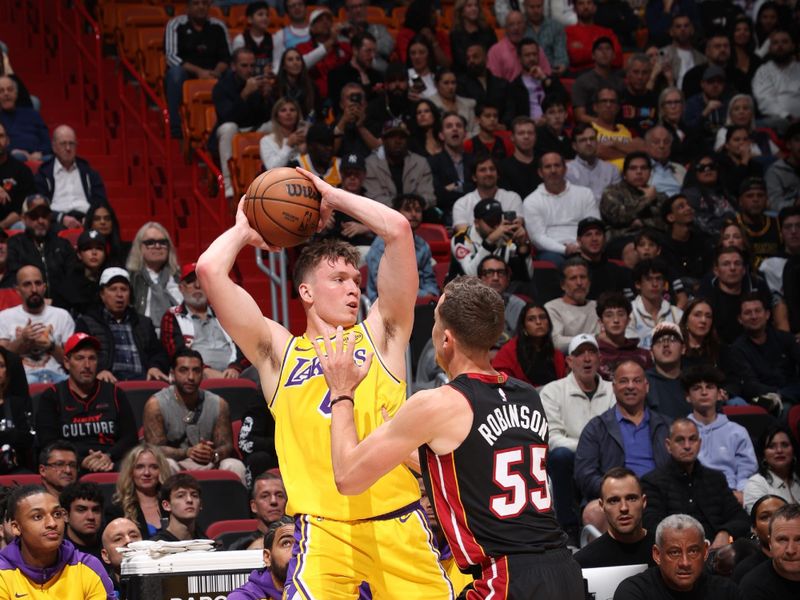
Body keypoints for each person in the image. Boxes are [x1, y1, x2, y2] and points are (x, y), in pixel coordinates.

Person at [196, 165, 454, 597]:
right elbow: (208, 270)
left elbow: (398, 231)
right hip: (323, 532)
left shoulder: (382, 335)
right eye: (338, 279)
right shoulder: (280, 352)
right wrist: (244, 228)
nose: (353, 288)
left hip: (398, 525)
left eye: (356, 280)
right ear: (306, 292)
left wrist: (331, 196)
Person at [312, 276, 584, 599]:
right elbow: (473, 468)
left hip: (506, 579)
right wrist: (400, 449)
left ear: (446, 340)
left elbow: (347, 477)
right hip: (564, 570)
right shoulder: (527, 395)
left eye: (436, 322)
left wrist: (341, 392)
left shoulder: (438, 402)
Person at [574, 360, 672, 531]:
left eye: (636, 381)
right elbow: (585, 475)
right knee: (594, 512)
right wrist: (619, 490)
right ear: (613, 387)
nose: (630, 386)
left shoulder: (666, 426)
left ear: (646, 386)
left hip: (660, 494)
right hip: (617, 496)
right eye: (624, 381)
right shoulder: (596, 428)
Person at [540, 333, 615, 538]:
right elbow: (553, 438)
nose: (587, 358)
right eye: (580, 353)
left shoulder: (613, 390)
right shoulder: (552, 391)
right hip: (572, 457)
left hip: (605, 457)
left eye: (592, 352)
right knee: (560, 456)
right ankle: (569, 528)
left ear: (600, 359)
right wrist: (587, 448)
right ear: (569, 361)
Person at [35, 332, 138, 471]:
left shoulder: (114, 393)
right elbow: (48, 443)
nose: (87, 365)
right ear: (66, 362)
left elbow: (130, 438)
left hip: (111, 461)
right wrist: (80, 461)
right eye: (79, 358)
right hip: (69, 466)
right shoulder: (52, 396)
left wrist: (109, 456)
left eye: (92, 358)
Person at [142, 347, 246, 483]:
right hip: (177, 462)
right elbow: (154, 449)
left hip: (209, 462)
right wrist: (187, 452)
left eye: (196, 371)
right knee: (166, 464)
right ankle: (166, 503)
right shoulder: (156, 404)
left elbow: (226, 445)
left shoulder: (218, 404)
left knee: (235, 465)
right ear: (173, 373)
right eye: (184, 370)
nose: (191, 377)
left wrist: (213, 454)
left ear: (202, 373)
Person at [641, 418, 750, 547]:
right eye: (680, 440)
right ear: (668, 445)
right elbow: (652, 526)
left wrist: (725, 533)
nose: (687, 446)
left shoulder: (716, 479)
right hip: (675, 553)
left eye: (692, 439)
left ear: (699, 443)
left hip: (718, 552)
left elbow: (741, 518)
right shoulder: (652, 482)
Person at [0, 485, 113, 598]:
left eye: (57, 514)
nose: (52, 523)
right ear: (16, 528)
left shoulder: (88, 566)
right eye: (38, 517)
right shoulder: (2, 572)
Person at [614, 513, 742, 600]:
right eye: (674, 552)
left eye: (693, 551)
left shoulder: (726, 592)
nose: (685, 563)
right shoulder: (634, 592)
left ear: (705, 552)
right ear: (657, 554)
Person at [74, 267, 170, 383]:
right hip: (107, 382)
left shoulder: (143, 323)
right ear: (102, 294)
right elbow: (80, 356)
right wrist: (99, 370)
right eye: (113, 289)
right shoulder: (87, 323)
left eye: (124, 289)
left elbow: (158, 353)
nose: (119, 294)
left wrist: (155, 366)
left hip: (141, 382)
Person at [684, 365, 758, 499]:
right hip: (692, 495)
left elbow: (747, 472)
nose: (704, 392)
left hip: (731, 495)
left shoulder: (737, 432)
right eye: (697, 388)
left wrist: (741, 493)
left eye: (710, 387)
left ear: (719, 394)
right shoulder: (680, 432)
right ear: (688, 396)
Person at [160, 263, 245, 379]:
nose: (197, 285)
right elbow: (176, 353)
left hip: (234, 374)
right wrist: (204, 370)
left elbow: (244, 346)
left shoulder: (225, 313)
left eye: (202, 280)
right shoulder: (173, 315)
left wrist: (235, 367)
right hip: (195, 374)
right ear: (181, 288)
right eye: (190, 281)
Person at [164, 0, 231, 138]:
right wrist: (199, 72)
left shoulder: (218, 26)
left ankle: (231, 122)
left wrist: (216, 72)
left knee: (233, 74)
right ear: (187, 8)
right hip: (187, 73)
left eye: (205, 4)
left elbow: (226, 57)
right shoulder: (176, 24)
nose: (201, 7)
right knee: (175, 73)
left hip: (214, 72)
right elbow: (171, 57)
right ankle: (176, 128)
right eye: (196, 3)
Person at [211, 47, 272, 198]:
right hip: (232, 130)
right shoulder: (222, 86)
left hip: (253, 128)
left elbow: (265, 116)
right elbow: (227, 116)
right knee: (228, 127)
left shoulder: (258, 82)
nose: (249, 70)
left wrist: (266, 97)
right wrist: (244, 94)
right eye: (244, 66)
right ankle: (228, 184)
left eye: (252, 65)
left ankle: (274, 181)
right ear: (234, 66)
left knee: (274, 125)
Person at [0, 264, 74, 383]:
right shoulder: (5, 317)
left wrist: (51, 346)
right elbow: (2, 361)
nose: (34, 289)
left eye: (38, 283)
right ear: (17, 290)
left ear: (44, 287)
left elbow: (72, 362)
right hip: (22, 379)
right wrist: (22, 340)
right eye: (27, 284)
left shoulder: (62, 316)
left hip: (57, 378)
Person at [523, 152, 599, 266]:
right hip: (552, 251)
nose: (553, 170)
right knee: (554, 262)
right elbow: (537, 237)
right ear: (540, 172)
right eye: (548, 167)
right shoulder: (531, 201)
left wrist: (581, 247)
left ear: (565, 169)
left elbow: (594, 225)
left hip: (584, 247)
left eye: (557, 165)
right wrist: (564, 249)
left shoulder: (585, 194)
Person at [730, 292, 800, 413]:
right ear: (740, 319)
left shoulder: (786, 339)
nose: (754, 316)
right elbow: (750, 384)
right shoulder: (737, 349)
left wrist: (782, 394)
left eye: (758, 311)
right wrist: (776, 394)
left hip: (792, 393)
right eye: (748, 313)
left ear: (767, 314)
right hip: (762, 399)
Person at [574, 468, 655, 568]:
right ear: (601, 506)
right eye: (614, 501)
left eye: (631, 498)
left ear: (644, 502)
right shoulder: (583, 562)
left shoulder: (664, 552)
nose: (624, 508)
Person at [365, 193, 439, 303]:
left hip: (416, 302)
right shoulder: (382, 243)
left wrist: (431, 294)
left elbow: (428, 279)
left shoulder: (423, 246)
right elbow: (382, 285)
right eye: (408, 210)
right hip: (383, 302)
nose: (414, 214)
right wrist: (422, 295)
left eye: (418, 210)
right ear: (397, 213)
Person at [698, 245, 775, 344]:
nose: (732, 268)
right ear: (716, 271)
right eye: (726, 264)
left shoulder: (758, 289)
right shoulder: (707, 298)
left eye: (737, 263)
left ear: (744, 270)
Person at [33, 125, 108, 227]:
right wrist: (60, 218)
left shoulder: (88, 172)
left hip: (86, 219)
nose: (68, 148)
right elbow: (39, 204)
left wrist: (90, 217)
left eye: (71, 144)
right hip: (56, 221)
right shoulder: (44, 173)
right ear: (54, 147)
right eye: (63, 144)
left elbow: (101, 200)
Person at [6, 195, 77, 297]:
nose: (40, 220)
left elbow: (72, 279)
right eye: (34, 216)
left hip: (60, 306)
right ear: (24, 218)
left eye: (45, 215)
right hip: (25, 305)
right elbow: (14, 280)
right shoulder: (15, 244)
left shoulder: (63, 244)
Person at [600, 152, 667, 250]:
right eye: (633, 168)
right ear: (625, 174)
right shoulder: (612, 192)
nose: (639, 172)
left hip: (656, 238)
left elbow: (668, 221)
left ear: (650, 173)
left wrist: (642, 222)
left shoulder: (659, 196)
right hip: (623, 239)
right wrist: (646, 200)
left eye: (643, 168)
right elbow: (618, 217)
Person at [491, 301, 567, 388]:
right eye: (531, 319)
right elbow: (499, 378)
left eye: (542, 317)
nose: (538, 322)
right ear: (523, 326)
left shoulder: (556, 354)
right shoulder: (510, 351)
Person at [364, 120, 435, 208]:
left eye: (402, 137)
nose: (398, 141)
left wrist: (409, 208)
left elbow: (429, 197)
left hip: (417, 215)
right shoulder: (370, 164)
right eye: (392, 137)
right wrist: (403, 207)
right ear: (383, 140)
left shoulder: (420, 163)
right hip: (383, 216)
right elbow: (373, 199)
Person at [126, 222, 181, 332]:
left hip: (178, 334)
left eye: (162, 242)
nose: (157, 246)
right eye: (150, 242)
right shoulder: (131, 279)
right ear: (139, 247)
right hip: (142, 334)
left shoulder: (179, 279)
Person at [739, 503, 800, 598]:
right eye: (782, 540)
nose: (791, 550)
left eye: (799, 540)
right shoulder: (753, 588)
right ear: (770, 543)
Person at [110, 443, 170, 539]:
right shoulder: (118, 510)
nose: (147, 473)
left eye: (153, 467)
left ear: (161, 471)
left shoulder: (172, 505)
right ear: (130, 472)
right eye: (140, 467)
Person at [451, 155, 524, 232]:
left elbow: (515, 229)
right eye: (483, 170)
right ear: (474, 177)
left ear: (498, 174)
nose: (488, 173)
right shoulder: (462, 204)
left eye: (492, 169)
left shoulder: (512, 198)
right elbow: (464, 235)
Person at [228, 516, 294, 600]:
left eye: (301, 544)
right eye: (286, 543)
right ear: (267, 557)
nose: (296, 551)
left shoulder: (314, 591)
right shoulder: (244, 597)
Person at [544, 257, 600, 353]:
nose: (579, 283)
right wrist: (595, 338)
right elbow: (556, 342)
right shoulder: (552, 308)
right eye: (573, 278)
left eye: (583, 277)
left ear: (589, 282)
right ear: (563, 285)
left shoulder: (598, 306)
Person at [626, 259, 684, 350]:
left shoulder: (677, 314)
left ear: (665, 284)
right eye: (648, 279)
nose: (655, 284)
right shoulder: (628, 313)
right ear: (638, 284)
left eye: (658, 278)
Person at [295, 8, 351, 99]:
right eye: (320, 20)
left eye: (328, 19)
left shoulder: (343, 46)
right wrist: (331, 41)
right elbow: (302, 65)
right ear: (312, 28)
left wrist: (353, 37)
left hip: (341, 98)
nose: (325, 22)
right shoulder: (302, 47)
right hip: (314, 97)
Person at [428, 112, 475, 220]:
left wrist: (453, 187)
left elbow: (480, 190)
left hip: (475, 212)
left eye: (459, 126)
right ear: (441, 135)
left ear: (465, 133)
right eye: (449, 126)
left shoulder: (474, 161)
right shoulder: (432, 162)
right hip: (447, 214)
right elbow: (438, 195)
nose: (455, 129)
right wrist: (465, 188)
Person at [751, 29, 800, 133]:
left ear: (793, 46)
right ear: (769, 48)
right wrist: (787, 116)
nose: (780, 46)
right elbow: (765, 100)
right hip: (776, 122)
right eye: (775, 43)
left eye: (785, 42)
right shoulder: (763, 71)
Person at [476, 256, 532, 345]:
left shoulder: (519, 306)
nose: (495, 278)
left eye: (501, 273)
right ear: (479, 279)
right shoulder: (467, 306)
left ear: (508, 279)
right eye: (489, 272)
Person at [596, 291, 652, 381]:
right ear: (600, 322)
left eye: (621, 314)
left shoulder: (644, 356)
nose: (616, 320)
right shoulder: (594, 355)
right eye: (609, 315)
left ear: (628, 320)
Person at [52, 229, 109, 316]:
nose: (94, 253)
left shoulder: (111, 282)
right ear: (79, 254)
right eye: (88, 248)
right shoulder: (67, 286)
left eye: (99, 248)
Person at [733, 495, 788, 583]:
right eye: (765, 517)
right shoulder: (746, 571)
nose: (774, 521)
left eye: (781, 515)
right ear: (754, 529)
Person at [743, 426, 800, 513]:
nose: (779, 450)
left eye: (785, 445)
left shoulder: (797, 479)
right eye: (771, 446)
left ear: (793, 451)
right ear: (764, 455)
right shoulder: (756, 484)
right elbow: (764, 521)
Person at [576, 218, 633, 301]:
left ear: (605, 239)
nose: (594, 239)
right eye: (588, 235)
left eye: (598, 234)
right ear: (579, 240)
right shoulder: (571, 271)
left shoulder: (618, 271)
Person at [228, 472, 288, 551]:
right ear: (254, 506)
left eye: (279, 495)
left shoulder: (301, 542)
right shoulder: (241, 547)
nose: (273, 501)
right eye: (265, 496)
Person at [682, 153, 737, 238]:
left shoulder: (727, 193)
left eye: (712, 166)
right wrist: (729, 218)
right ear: (694, 172)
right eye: (701, 168)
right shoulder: (690, 195)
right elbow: (702, 225)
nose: (707, 170)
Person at [509, 39, 566, 121]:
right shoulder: (514, 86)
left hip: (552, 124)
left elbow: (563, 98)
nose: (532, 58)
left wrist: (544, 78)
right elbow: (513, 116)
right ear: (519, 58)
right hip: (529, 128)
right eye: (527, 55)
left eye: (534, 54)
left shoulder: (549, 79)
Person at [571, 38, 623, 125]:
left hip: (616, 130)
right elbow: (579, 116)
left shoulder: (620, 83)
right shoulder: (582, 82)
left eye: (608, 49)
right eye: (600, 49)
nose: (604, 52)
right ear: (593, 55)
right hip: (590, 130)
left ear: (614, 55)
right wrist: (603, 124)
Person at [565, 122, 620, 203]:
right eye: (583, 140)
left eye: (592, 139)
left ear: (597, 142)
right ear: (574, 146)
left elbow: (617, 200)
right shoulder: (567, 171)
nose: (589, 143)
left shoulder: (612, 170)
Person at [645, 322, 689, 419]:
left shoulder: (693, 380)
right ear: (651, 353)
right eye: (659, 341)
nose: (665, 344)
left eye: (672, 339)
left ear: (683, 349)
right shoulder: (643, 382)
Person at [564, 0, 622, 73]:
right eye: (581, 4)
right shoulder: (567, 32)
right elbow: (575, 58)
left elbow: (618, 59)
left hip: (607, 74)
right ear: (575, 9)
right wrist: (604, 52)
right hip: (579, 76)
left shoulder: (607, 32)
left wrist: (584, 50)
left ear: (595, 8)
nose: (585, 7)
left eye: (589, 3)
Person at [0, 76, 49, 161]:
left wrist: (40, 152)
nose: (6, 93)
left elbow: (47, 141)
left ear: (16, 94)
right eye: (1, 91)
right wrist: (13, 151)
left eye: (10, 89)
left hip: (39, 156)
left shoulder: (32, 114)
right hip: (12, 158)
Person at [327, 33, 380, 110]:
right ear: (355, 50)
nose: (373, 56)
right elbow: (336, 106)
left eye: (374, 51)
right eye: (368, 51)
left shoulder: (377, 76)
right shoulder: (337, 75)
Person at [736, 177, 781, 267]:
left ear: (767, 199)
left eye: (760, 195)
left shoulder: (778, 223)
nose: (755, 200)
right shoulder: (732, 226)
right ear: (740, 201)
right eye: (750, 196)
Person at [340, 0, 394, 73]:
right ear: (347, 12)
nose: (358, 10)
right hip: (352, 74)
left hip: (381, 74)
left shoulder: (379, 29)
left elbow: (387, 48)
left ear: (366, 8)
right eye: (353, 7)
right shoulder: (342, 33)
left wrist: (362, 47)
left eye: (361, 6)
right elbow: (346, 53)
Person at [151, 473, 206, 542]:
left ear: (200, 504)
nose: (189, 500)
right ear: (166, 505)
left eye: (194, 495)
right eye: (180, 496)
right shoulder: (157, 547)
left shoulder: (209, 545)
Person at [0, 121, 34, 230]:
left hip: (11, 224)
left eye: (1, 136)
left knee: (23, 226)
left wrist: (1, 226)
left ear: (8, 140)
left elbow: (23, 209)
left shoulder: (22, 171)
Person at [498, 116, 541, 201]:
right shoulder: (503, 167)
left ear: (535, 136)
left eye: (530, 133)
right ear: (512, 137)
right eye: (521, 133)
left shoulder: (544, 164)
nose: (526, 136)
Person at [448, 0, 497, 75]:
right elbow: (460, 61)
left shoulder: (487, 31)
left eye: (476, 5)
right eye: (469, 6)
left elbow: (494, 54)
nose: (474, 8)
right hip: (464, 75)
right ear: (462, 11)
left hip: (487, 72)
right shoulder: (455, 34)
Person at [659, 14, 706, 89]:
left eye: (686, 26)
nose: (683, 29)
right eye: (678, 26)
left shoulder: (702, 59)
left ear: (692, 30)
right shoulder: (663, 53)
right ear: (671, 31)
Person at [58, 482, 103, 561]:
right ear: (65, 515)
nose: (91, 517)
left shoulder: (110, 546)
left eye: (96, 510)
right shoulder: (57, 552)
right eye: (81, 510)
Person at [522, 0, 568, 75]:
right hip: (526, 74)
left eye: (539, 6)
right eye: (532, 7)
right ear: (525, 7)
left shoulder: (556, 27)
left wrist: (560, 67)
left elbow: (561, 56)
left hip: (552, 74)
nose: (536, 10)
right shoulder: (520, 27)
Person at [259, 97, 305, 170]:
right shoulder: (266, 141)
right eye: (283, 110)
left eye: (292, 110)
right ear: (277, 116)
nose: (288, 113)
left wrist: (305, 152)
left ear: (298, 115)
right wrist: (288, 145)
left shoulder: (305, 138)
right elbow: (271, 168)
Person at [100, 517, 142, 596]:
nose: (128, 541)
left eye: (134, 536)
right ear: (106, 556)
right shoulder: (101, 590)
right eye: (118, 539)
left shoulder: (161, 582)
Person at [619, 54, 659, 137]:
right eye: (636, 72)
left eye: (644, 73)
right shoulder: (618, 99)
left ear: (649, 75)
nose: (640, 77)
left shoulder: (656, 100)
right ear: (628, 74)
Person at [430, 69, 477, 137]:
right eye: (446, 83)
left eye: (453, 83)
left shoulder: (468, 104)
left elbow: (475, 129)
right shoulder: (430, 103)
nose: (451, 87)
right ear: (436, 85)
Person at [274, 48, 318, 119]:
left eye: (298, 59)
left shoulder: (312, 86)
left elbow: (317, 113)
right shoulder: (275, 87)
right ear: (284, 66)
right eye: (290, 60)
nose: (295, 62)